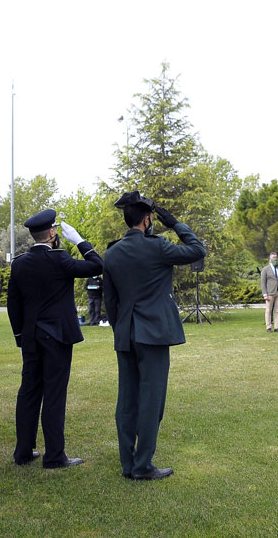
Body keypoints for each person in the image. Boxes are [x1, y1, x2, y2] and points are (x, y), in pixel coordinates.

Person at [103, 191, 206, 480]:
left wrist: (120, 328)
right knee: (151, 399)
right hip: (154, 334)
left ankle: (127, 463)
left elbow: (110, 301)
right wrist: (176, 225)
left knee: (127, 400)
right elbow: (198, 250)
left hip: (126, 334)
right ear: (147, 220)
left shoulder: (112, 252)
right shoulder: (157, 247)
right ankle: (143, 465)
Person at [8, 210, 103, 468]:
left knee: (28, 392)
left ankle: (23, 451)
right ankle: (54, 456)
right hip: (57, 336)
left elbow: (13, 304)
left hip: (30, 337)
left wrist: (20, 335)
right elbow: (97, 265)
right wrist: (80, 241)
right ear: (52, 233)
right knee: (54, 394)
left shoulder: (19, 263)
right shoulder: (61, 259)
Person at [260, 252, 278, 332]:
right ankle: (268, 327)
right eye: (273, 258)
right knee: (268, 310)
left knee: (277, 310)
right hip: (270, 293)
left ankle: (276, 327)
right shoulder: (265, 269)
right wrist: (265, 294)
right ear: (270, 260)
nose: (275, 259)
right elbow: (263, 282)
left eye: (276, 258)